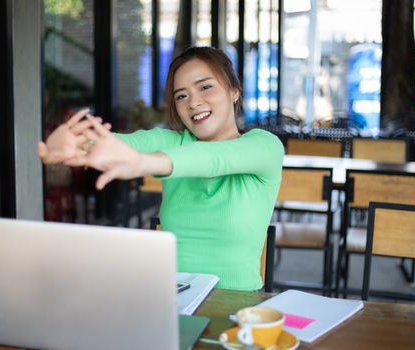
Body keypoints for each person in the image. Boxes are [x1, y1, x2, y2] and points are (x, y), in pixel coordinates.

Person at [38, 47, 284, 291]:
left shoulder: (264, 146)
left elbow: (215, 158)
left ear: (234, 91)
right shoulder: (173, 142)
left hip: (235, 307)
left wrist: (142, 163)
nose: (194, 102)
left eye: (205, 87)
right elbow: (121, 143)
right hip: (169, 300)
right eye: (181, 96)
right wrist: (76, 142)